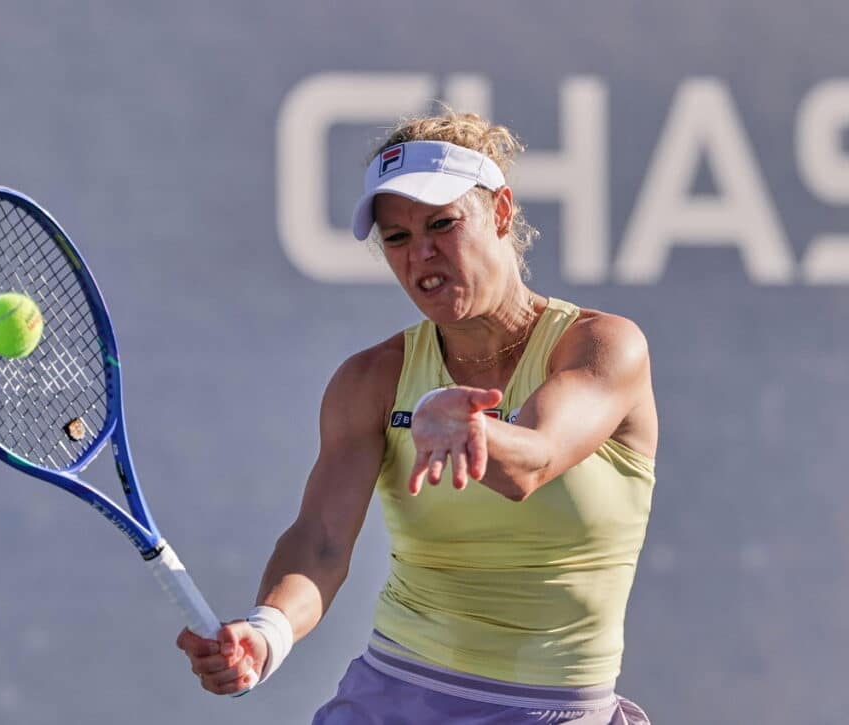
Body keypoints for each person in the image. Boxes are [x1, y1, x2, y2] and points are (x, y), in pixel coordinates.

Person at [176, 110, 657, 724]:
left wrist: (469, 428)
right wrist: (268, 633)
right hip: (393, 696)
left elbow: (533, 459)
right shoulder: (371, 380)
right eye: (397, 238)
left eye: (443, 224)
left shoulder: (602, 347)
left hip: (553, 708)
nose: (421, 254)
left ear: (502, 211)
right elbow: (321, 541)